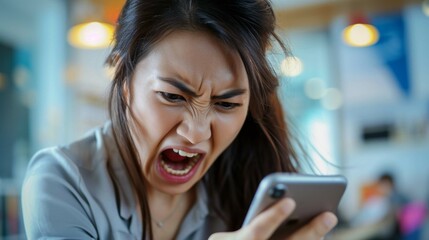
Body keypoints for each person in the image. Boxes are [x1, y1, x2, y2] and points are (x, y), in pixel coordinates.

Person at [21, 0, 338, 239]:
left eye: (226, 103)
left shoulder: (245, 184)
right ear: (123, 76)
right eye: (172, 96)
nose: (196, 133)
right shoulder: (62, 180)